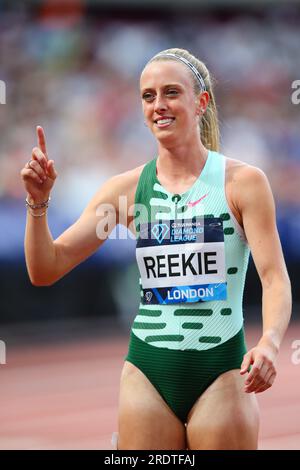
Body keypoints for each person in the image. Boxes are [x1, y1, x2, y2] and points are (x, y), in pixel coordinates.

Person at [21, 48, 292, 450]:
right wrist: (38, 204)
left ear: (200, 102)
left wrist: (269, 343)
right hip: (148, 371)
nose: (158, 106)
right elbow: (47, 268)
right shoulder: (126, 191)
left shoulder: (242, 183)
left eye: (170, 93)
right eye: (148, 96)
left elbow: (273, 278)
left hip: (220, 370)